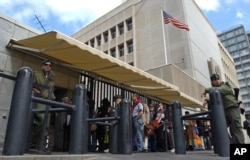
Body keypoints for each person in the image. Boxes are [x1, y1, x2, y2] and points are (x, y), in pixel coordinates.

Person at [202, 73, 245, 144]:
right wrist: (208, 101)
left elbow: (221, 90)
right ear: (212, 82)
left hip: (232, 108)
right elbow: (219, 98)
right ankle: (231, 143)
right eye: (215, 80)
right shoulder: (215, 90)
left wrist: (207, 90)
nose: (217, 81)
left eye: (218, 79)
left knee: (236, 129)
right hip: (224, 111)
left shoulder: (225, 86)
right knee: (220, 127)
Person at [31, 59, 56, 152]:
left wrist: (53, 98)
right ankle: (34, 143)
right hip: (40, 101)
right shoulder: (37, 74)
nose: (48, 66)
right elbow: (32, 85)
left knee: (46, 125)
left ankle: (41, 145)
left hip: (48, 102)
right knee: (41, 120)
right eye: (46, 64)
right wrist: (37, 92)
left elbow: (51, 91)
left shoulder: (51, 79)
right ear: (42, 66)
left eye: (50, 65)